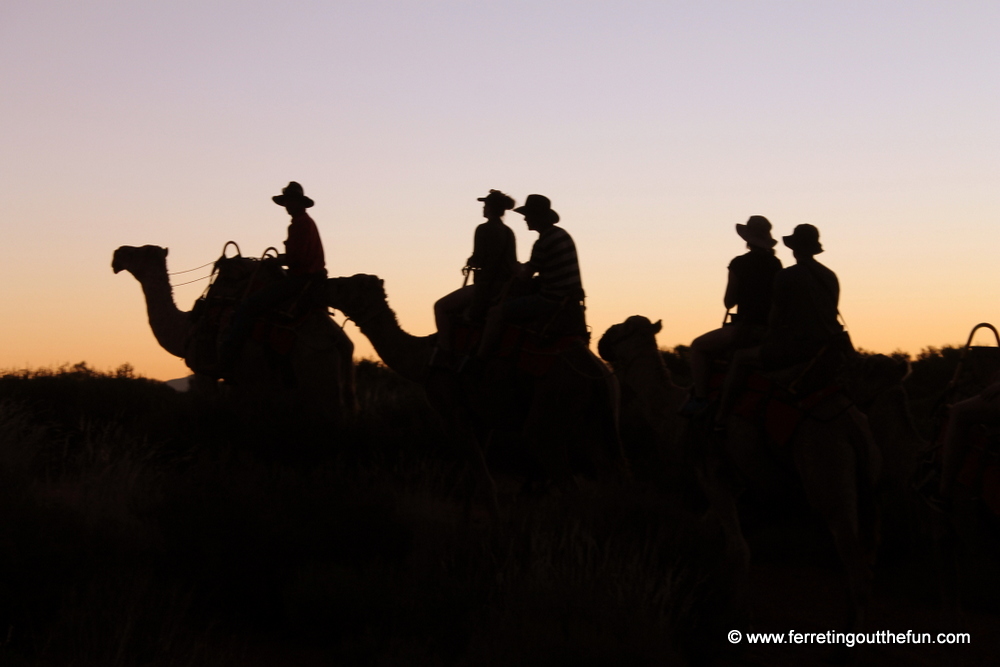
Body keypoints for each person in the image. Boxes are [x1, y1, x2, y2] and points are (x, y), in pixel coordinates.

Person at [716, 223, 844, 424]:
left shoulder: (786, 276)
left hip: (798, 347)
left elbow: (775, 318)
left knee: (741, 358)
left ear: (793, 248)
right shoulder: (830, 276)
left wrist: (767, 338)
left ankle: (721, 417)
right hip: (828, 348)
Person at [219, 181, 329, 373]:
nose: (287, 206)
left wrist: (276, 261)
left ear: (298, 202)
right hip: (311, 277)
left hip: (301, 278)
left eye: (290, 201)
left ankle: (228, 358)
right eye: (286, 202)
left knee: (248, 305)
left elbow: (297, 259)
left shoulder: (299, 225)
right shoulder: (306, 223)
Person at [681, 216, 782, 416]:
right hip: (770, 331)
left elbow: (729, 302)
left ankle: (700, 398)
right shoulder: (776, 263)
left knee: (698, 347)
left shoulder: (739, 263)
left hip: (744, 329)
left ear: (747, 238)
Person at [477, 194, 584, 356]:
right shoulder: (562, 235)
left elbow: (525, 275)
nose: (525, 219)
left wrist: (515, 267)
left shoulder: (542, 242)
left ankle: (481, 357)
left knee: (495, 313)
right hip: (569, 299)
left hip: (550, 299)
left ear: (536, 218)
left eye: (528, 216)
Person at [433, 190, 517, 350]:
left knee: (440, 307)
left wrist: (472, 261)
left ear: (491, 208)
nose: (483, 209)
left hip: (485, 288)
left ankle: (444, 350)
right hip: (503, 288)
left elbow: (480, 259)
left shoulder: (483, 229)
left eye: (485, 205)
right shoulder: (508, 232)